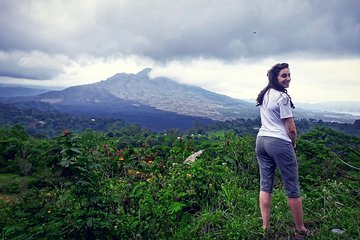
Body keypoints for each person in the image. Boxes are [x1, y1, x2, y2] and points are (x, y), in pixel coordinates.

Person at [255, 63, 310, 239]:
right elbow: (291, 128)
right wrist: (292, 144)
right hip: (279, 142)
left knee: (265, 185)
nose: (288, 78)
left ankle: (265, 227)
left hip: (261, 141)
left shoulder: (265, 94)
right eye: (283, 76)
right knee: (292, 186)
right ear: (275, 78)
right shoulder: (283, 98)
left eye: (289, 75)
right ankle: (300, 228)